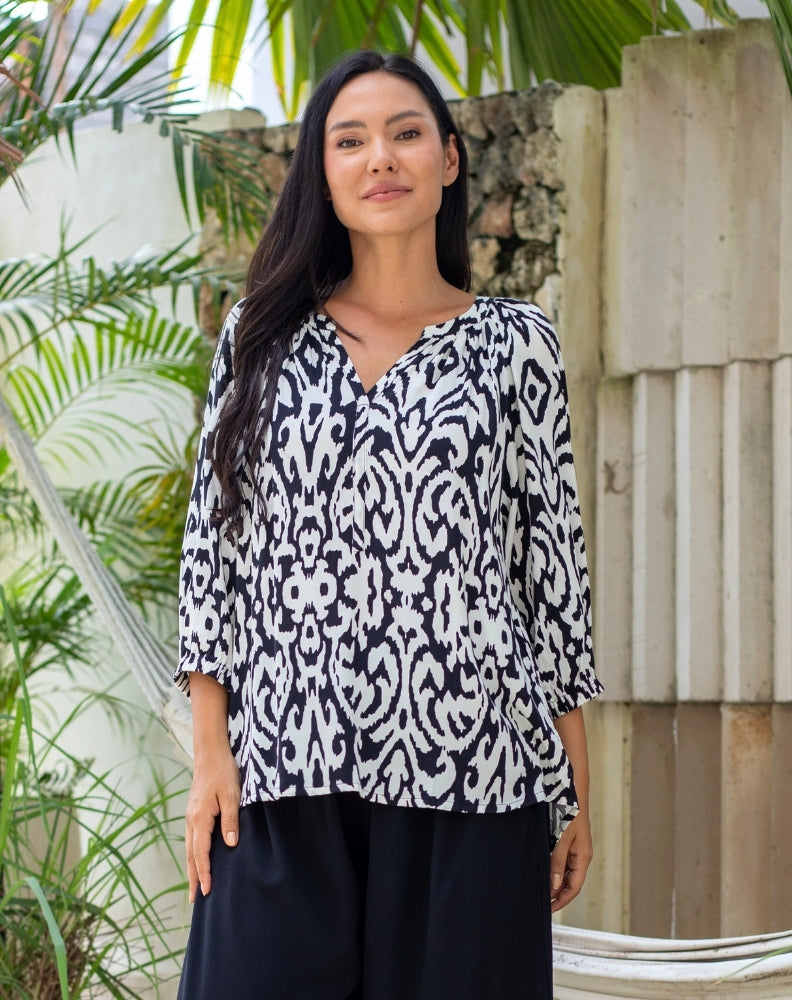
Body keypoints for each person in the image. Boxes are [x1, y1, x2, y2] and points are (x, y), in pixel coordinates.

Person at [174, 49, 603, 1000]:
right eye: (352, 140)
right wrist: (211, 752)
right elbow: (213, 550)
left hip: (476, 774)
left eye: (406, 134)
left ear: (449, 160)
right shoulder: (260, 337)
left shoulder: (516, 344)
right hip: (285, 765)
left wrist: (571, 790)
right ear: (323, 176)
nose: (382, 158)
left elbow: (552, 580)